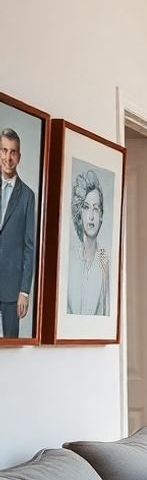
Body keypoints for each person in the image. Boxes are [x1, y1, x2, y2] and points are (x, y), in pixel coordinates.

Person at [0, 127, 37, 337]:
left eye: (13, 152)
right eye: (4, 150)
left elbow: (29, 247)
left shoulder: (27, 196)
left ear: (19, 157)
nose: (8, 158)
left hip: (12, 290)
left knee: (11, 347)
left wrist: (24, 291)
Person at [67, 169, 110, 316]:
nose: (91, 216)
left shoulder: (104, 260)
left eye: (96, 209)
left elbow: (107, 313)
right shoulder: (69, 258)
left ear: (101, 215)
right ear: (80, 213)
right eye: (86, 207)